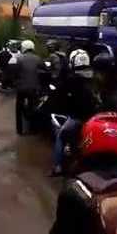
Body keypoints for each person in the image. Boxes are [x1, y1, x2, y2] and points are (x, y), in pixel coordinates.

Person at [50, 48, 99, 176]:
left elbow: (61, 96)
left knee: (61, 136)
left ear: (73, 62)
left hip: (78, 118)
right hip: (95, 118)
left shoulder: (71, 78)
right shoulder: (94, 77)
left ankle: (57, 167)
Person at [13, 39, 45, 135]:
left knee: (19, 108)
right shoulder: (38, 58)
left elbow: (15, 72)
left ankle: (20, 130)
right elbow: (45, 69)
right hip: (34, 88)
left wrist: (16, 82)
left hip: (21, 88)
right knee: (33, 107)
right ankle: (33, 129)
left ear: (24, 48)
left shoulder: (19, 58)